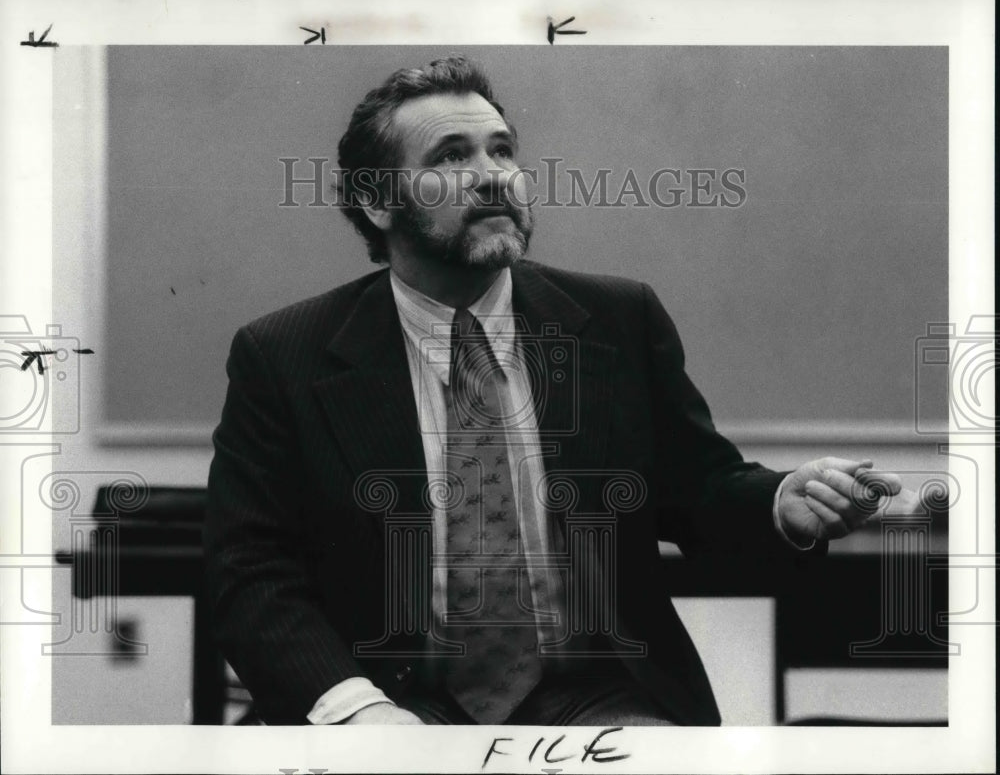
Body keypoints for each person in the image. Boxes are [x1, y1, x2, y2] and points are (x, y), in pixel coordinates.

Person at [204, 55, 918, 726]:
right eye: (452, 156)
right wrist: (358, 712)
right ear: (378, 200)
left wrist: (780, 502)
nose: (494, 177)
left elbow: (699, 489)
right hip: (391, 704)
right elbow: (251, 573)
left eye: (503, 150)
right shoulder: (284, 356)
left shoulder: (615, 321)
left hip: (592, 696)